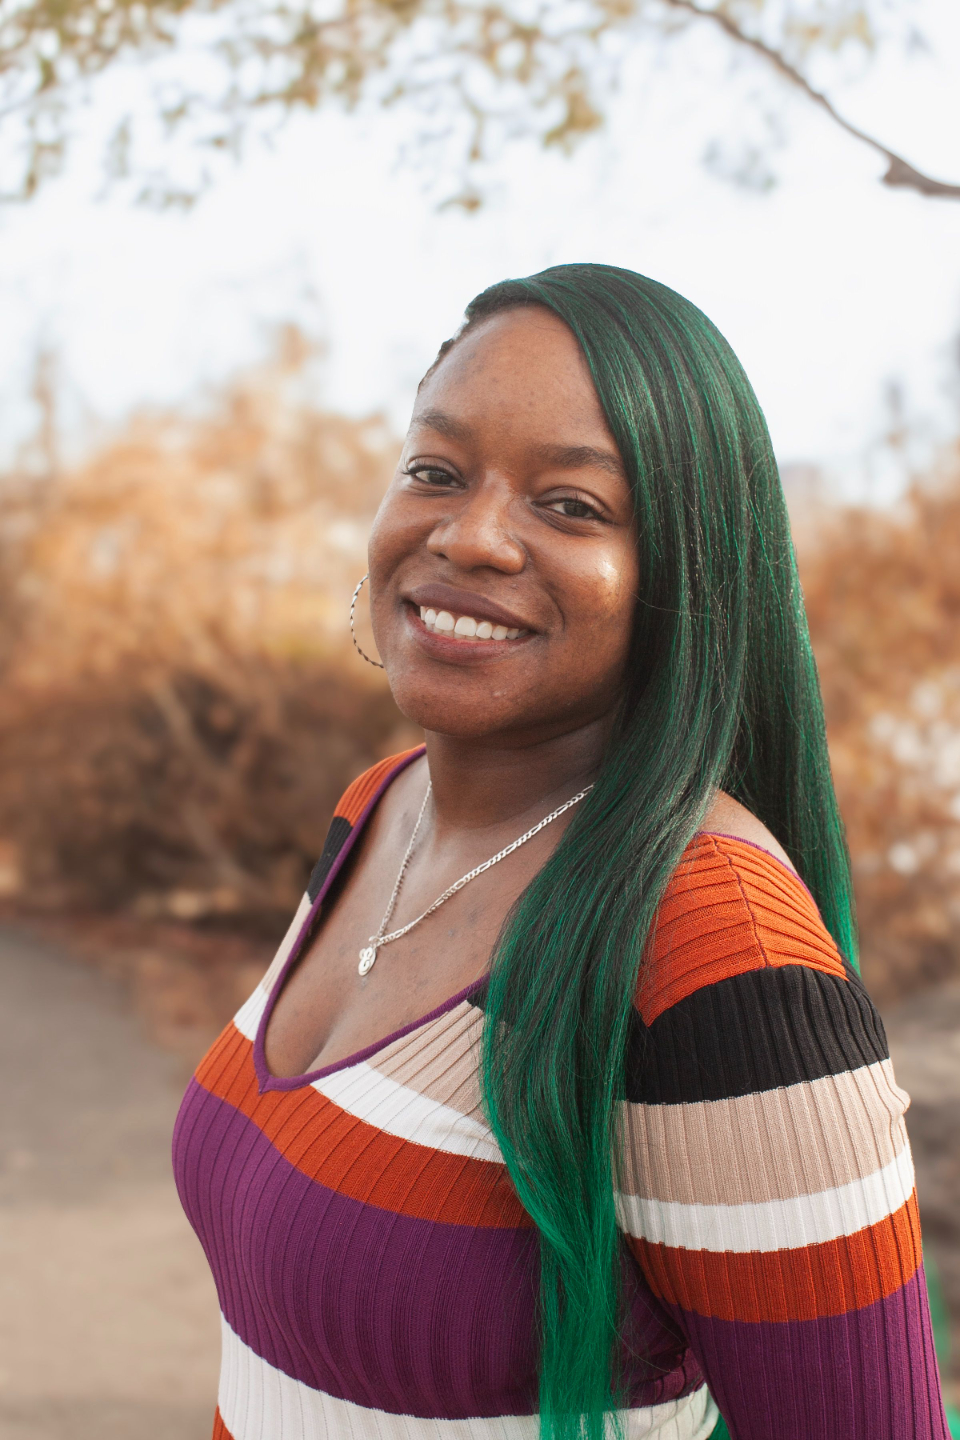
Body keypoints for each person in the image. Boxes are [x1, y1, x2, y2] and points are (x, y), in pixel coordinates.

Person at [173, 264, 950, 1440]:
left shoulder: (715, 948)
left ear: (689, 571)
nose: (469, 537)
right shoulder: (381, 807)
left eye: (572, 505)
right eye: (436, 471)